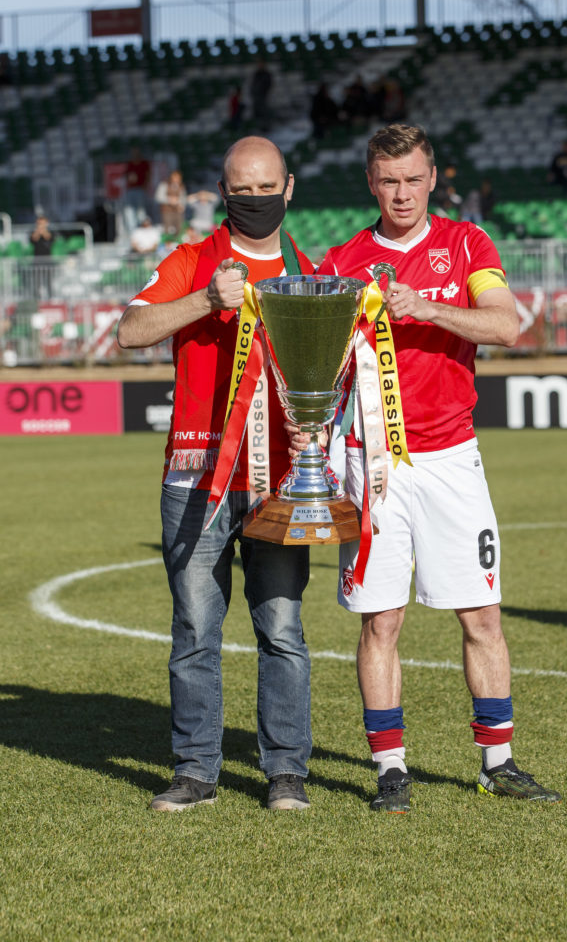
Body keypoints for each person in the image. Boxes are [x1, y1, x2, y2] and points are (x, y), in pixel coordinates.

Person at [317, 124, 561, 812]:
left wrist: (424, 306)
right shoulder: (343, 261)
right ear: (371, 181)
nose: (401, 193)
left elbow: (504, 324)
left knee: (481, 616)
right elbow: (325, 360)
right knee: (380, 623)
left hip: (451, 457)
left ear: (433, 179)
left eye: (413, 179)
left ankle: (498, 760)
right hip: (372, 464)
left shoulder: (465, 244)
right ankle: (389, 768)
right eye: (388, 180)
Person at [117, 136, 316, 813]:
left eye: (265, 189)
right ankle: (195, 770)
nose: (254, 200)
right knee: (195, 631)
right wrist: (205, 300)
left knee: (282, 628)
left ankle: (285, 771)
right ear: (220, 191)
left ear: (287, 189)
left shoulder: (307, 269)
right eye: (241, 189)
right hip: (195, 476)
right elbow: (131, 330)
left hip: (281, 478)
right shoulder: (192, 260)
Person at [122, 146, 151, 234]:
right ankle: (132, 231)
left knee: (140, 211)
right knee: (129, 210)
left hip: (140, 189)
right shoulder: (130, 163)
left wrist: (145, 186)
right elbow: (126, 175)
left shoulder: (144, 163)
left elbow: (148, 175)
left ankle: (142, 229)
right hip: (130, 189)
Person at [29, 215, 55, 299]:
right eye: (39, 223)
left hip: (47, 259)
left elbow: (48, 237)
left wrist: (43, 230)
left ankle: (50, 297)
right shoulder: (34, 232)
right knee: (37, 281)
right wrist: (38, 231)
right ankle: (37, 297)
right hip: (37, 259)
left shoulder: (51, 232)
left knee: (48, 281)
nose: (41, 225)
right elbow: (33, 239)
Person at [154, 169, 187, 236]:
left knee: (179, 229)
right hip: (167, 210)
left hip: (178, 211)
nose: (176, 179)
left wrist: (181, 205)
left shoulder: (181, 186)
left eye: (178, 178)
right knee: (167, 229)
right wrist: (169, 200)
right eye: (174, 177)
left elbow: (183, 198)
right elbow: (158, 197)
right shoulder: (164, 185)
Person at [249, 61, 273, 131]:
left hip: (264, 96)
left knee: (264, 112)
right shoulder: (256, 74)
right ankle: (258, 127)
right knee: (257, 112)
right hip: (256, 97)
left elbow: (268, 84)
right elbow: (253, 85)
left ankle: (266, 127)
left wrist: (263, 91)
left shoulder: (266, 74)